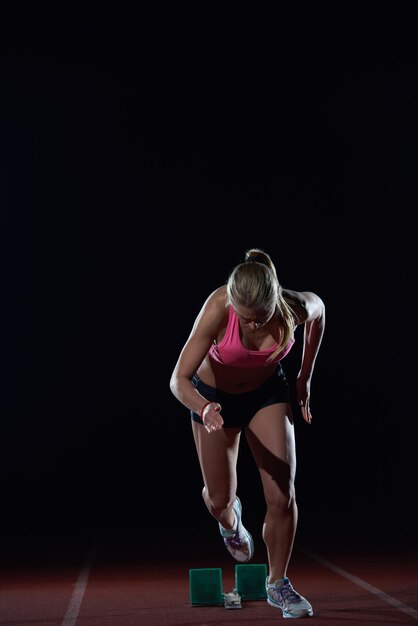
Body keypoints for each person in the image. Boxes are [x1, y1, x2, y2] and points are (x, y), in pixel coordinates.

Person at [169, 248, 325, 619]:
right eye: (246, 319)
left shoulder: (294, 306)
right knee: (219, 500)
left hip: (266, 395)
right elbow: (178, 379)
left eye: (261, 319)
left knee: (283, 492)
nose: (253, 326)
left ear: (275, 301)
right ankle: (231, 523)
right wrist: (204, 408)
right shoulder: (218, 307)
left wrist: (304, 377)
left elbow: (320, 314)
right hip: (214, 400)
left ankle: (278, 584)